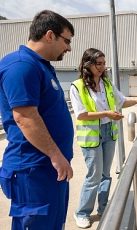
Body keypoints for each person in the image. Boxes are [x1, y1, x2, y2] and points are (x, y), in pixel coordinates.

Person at [0, 10, 74, 230]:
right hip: (34, 170)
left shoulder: (40, 66)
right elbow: (25, 117)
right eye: (67, 40)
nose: (69, 48)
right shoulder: (21, 66)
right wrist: (55, 155)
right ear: (50, 35)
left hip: (49, 168)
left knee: (53, 224)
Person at [70, 48, 137, 228]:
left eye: (103, 63)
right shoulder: (77, 86)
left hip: (109, 132)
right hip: (91, 137)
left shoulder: (107, 84)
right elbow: (81, 115)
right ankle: (82, 213)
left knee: (105, 175)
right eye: (98, 64)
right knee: (94, 176)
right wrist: (106, 113)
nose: (102, 67)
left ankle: (103, 208)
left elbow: (122, 101)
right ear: (88, 65)